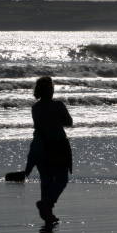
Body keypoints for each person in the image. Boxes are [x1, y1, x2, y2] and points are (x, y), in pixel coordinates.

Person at [24, 76, 73, 223]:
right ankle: (46, 205)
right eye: (52, 88)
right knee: (61, 179)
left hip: (41, 146)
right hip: (58, 145)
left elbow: (39, 128)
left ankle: (47, 213)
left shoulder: (35, 108)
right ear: (50, 90)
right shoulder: (58, 105)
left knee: (46, 181)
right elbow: (69, 122)